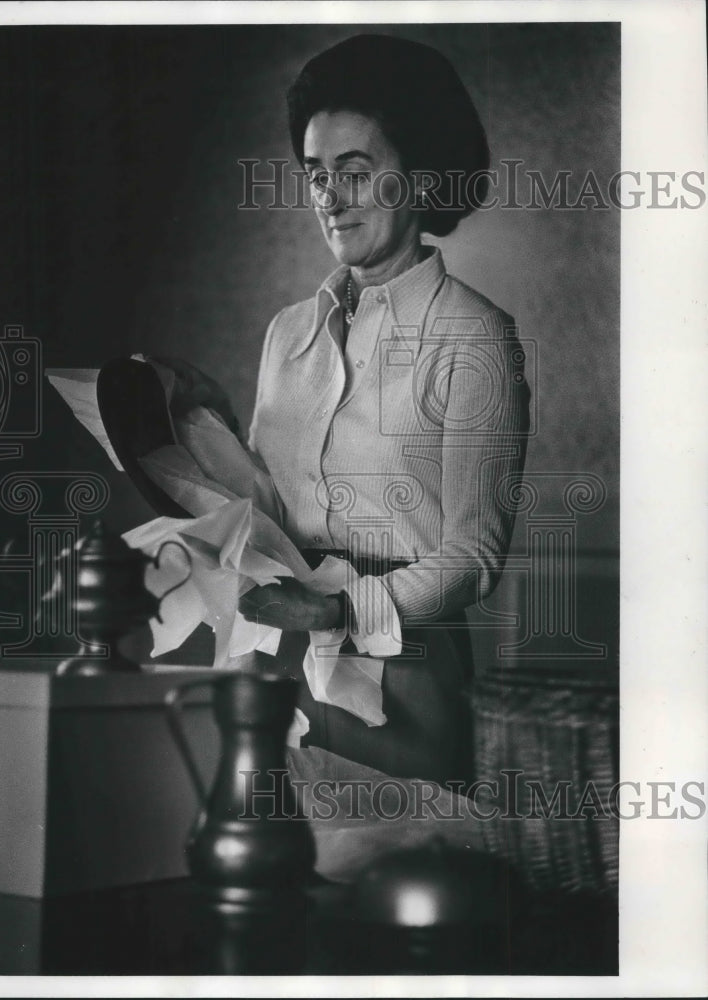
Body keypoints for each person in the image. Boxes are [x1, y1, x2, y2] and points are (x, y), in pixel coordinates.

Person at [233, 34, 530, 786]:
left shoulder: (474, 335)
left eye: (357, 172)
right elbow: (260, 508)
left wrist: (341, 611)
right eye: (316, 173)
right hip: (278, 669)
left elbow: (474, 554)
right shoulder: (287, 332)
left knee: (392, 888)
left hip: (408, 679)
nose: (329, 198)